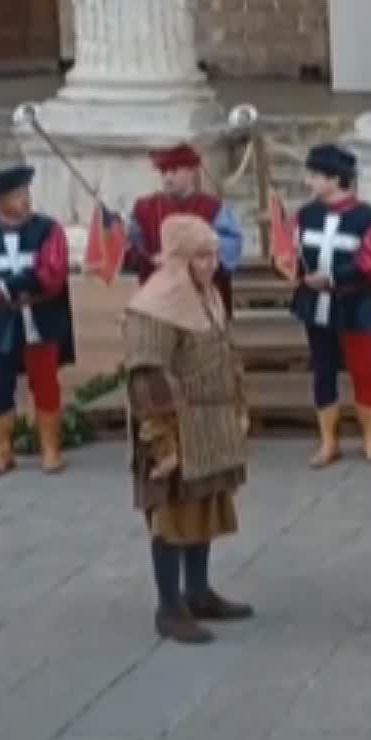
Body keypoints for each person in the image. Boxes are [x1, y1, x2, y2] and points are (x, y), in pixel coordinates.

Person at [123, 215, 252, 645]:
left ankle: (198, 592)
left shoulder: (207, 295)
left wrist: (238, 405)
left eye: (214, 254)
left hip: (210, 425)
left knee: (205, 507)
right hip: (174, 427)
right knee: (173, 517)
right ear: (179, 258)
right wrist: (163, 441)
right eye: (201, 255)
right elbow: (147, 376)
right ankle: (169, 606)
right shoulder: (154, 306)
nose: (211, 263)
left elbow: (224, 351)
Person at [0, 164, 75, 478]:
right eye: (17, 195)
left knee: (45, 382)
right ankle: (1, 450)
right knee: (0, 385)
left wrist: (6, 287)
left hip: (38, 317)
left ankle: (50, 447)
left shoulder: (49, 230)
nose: (25, 200)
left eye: (25, 193)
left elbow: (52, 273)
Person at [289, 143, 371, 467]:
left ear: (335, 179)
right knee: (322, 371)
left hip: (354, 303)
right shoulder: (304, 216)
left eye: (314, 175)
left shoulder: (370, 218)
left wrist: (334, 277)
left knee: (363, 370)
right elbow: (289, 253)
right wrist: (294, 272)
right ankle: (328, 442)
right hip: (315, 304)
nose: (309, 181)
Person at [125, 143, 244, 316]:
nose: (168, 178)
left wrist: (190, 263)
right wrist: (144, 256)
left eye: (174, 171)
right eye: (164, 172)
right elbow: (133, 247)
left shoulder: (213, 208)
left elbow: (228, 251)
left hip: (203, 304)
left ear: (191, 171)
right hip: (159, 302)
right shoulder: (144, 209)